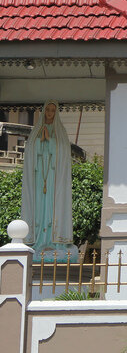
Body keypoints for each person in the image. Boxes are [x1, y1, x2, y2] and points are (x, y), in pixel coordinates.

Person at [20, 100, 74, 257]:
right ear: (44, 111)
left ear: (56, 113)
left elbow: (63, 151)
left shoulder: (60, 132)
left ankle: (53, 241)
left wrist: (50, 140)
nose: (50, 112)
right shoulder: (36, 131)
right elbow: (30, 150)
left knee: (52, 206)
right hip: (38, 177)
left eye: (52, 110)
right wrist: (39, 140)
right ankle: (37, 240)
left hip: (53, 178)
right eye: (48, 110)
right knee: (39, 207)